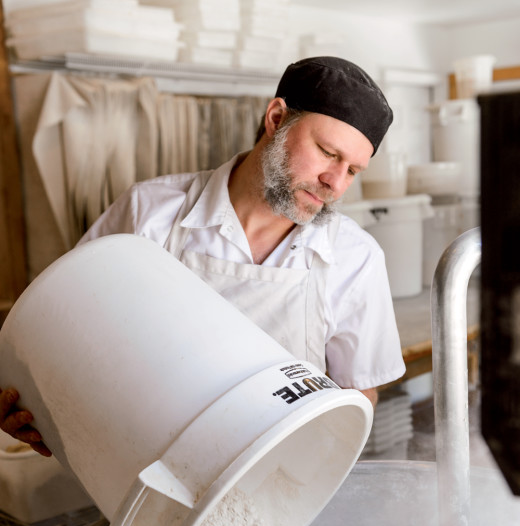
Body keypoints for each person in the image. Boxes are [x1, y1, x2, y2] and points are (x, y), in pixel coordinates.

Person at [0, 55, 405, 456]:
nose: (334, 183)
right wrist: (25, 402)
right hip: (142, 460)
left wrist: (315, 461)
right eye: (327, 153)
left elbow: (357, 393)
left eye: (352, 171)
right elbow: (59, 327)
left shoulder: (355, 258)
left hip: (279, 475)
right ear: (277, 118)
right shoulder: (149, 214)